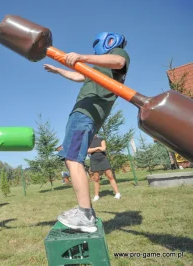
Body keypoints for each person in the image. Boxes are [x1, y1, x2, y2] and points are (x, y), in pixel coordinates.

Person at [44, 32, 130, 232]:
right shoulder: (99, 68)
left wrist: (81, 56)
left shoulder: (116, 53)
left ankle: (85, 214)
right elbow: (78, 76)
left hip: (86, 114)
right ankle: (86, 211)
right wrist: (58, 70)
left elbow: (118, 61)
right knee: (71, 157)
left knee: (73, 158)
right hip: (82, 114)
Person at [88, 135, 121, 201]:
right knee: (96, 178)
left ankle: (117, 193)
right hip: (94, 160)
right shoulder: (88, 141)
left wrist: (94, 150)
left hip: (103, 159)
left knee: (110, 176)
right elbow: (88, 151)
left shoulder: (101, 139)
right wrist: (98, 148)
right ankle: (96, 196)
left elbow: (103, 148)